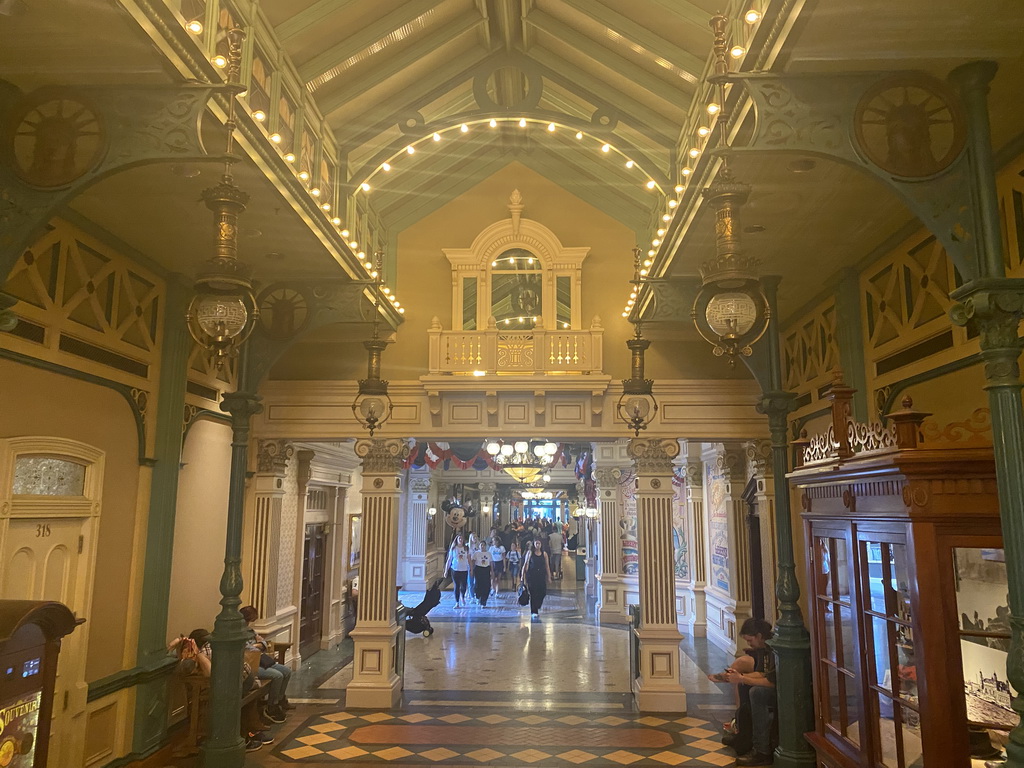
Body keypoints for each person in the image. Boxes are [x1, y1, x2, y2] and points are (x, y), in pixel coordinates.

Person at [708, 618, 777, 766]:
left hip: (783, 690)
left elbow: (771, 681)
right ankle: (743, 733)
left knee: (756, 693)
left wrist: (742, 678)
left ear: (759, 636)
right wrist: (739, 678)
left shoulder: (773, 649)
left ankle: (761, 750)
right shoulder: (762, 649)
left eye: (750, 640)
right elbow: (761, 673)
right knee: (744, 686)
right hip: (773, 683)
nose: (749, 644)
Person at [240, 606, 293, 724]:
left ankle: (279, 699)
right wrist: (257, 646)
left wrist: (257, 645)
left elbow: (263, 642)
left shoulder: (250, 631)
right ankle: (271, 706)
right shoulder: (238, 632)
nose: (250, 623)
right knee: (277, 676)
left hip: (262, 661)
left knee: (286, 671)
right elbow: (247, 648)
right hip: (251, 665)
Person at [521, 537, 551, 620]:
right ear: (534, 544)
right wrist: (522, 577)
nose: (538, 545)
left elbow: (547, 566)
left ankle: (538, 605)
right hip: (532, 576)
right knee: (533, 594)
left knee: (542, 592)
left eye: (539, 543)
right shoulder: (530, 553)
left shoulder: (544, 554)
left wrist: (549, 576)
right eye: (536, 543)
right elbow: (525, 564)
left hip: (541, 576)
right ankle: (534, 611)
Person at [444, 533, 470, 608]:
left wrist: (470, 568)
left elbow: (469, 558)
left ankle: (462, 596)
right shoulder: (454, 548)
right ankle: (457, 602)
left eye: (462, 539)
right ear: (457, 540)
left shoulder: (466, 548)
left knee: (464, 586)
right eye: (459, 539)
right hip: (455, 569)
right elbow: (449, 560)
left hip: (464, 569)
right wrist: (446, 570)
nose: (461, 540)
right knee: (457, 586)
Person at [472, 540, 493, 606]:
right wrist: (471, 570)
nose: (482, 546)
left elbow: (491, 563)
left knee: (486, 585)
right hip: (478, 569)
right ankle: (478, 597)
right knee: (478, 584)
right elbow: (473, 562)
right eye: (481, 545)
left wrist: (492, 571)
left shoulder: (488, 553)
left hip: (486, 569)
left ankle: (484, 600)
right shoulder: (476, 553)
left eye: (484, 545)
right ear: (479, 546)